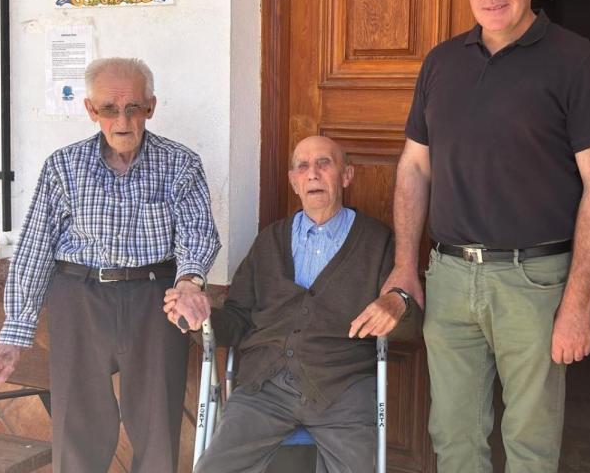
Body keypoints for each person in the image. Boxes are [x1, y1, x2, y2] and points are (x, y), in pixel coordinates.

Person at [383, 0, 590, 472]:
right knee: (454, 438)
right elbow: (414, 168)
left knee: (530, 443)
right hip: (448, 277)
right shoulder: (441, 63)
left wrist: (578, 303)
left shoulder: (577, 61)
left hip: (535, 282)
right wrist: (404, 265)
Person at [0, 57, 221, 473]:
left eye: (133, 107)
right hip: (79, 297)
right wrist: (14, 337)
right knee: (78, 426)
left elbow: (198, 233)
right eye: (109, 109)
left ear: (151, 107)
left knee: (157, 423)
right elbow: (35, 248)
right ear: (90, 111)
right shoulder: (62, 167)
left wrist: (190, 282)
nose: (123, 120)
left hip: (154, 298)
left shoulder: (181, 164)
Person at [165, 135, 412, 473]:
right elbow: (237, 318)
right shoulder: (269, 240)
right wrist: (201, 320)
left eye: (324, 163)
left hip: (342, 386)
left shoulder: (377, 241)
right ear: (294, 182)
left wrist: (397, 305)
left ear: (346, 175)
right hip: (264, 386)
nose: (313, 174)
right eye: (303, 166)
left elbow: (408, 319)